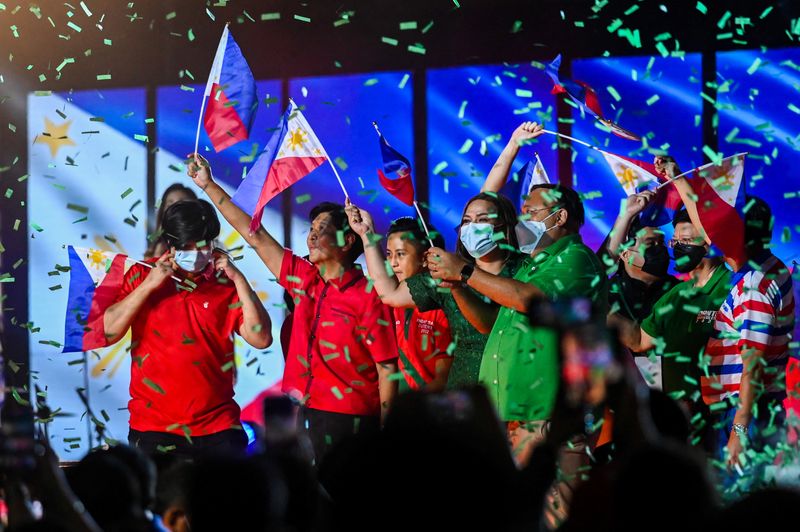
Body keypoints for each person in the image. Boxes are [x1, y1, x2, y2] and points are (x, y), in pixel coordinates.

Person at [186, 154, 398, 469]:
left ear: (346, 240)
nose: (311, 236)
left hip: (352, 421)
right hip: (305, 413)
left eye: (322, 229)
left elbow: (387, 368)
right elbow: (253, 234)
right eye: (311, 228)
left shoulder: (368, 295)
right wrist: (208, 185)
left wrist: (386, 430)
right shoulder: (304, 280)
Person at [426, 182, 607, 525]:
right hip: (515, 415)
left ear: (560, 216)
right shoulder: (531, 266)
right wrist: (459, 288)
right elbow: (489, 323)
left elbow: (529, 301)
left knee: (559, 515)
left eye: (532, 212)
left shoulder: (577, 259)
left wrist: (465, 270)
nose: (524, 220)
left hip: (552, 413)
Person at [102, 199, 273, 458]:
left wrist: (239, 279)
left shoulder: (226, 281)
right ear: (171, 244)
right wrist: (149, 285)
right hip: (154, 428)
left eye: (203, 244)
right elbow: (107, 331)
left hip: (219, 425)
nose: (196, 252)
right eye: (188, 246)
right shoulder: (141, 273)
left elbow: (261, 338)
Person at [661, 155, 795, 484]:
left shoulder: (755, 285)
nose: (709, 235)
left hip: (748, 409)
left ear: (739, 233)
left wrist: (739, 429)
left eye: (723, 225)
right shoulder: (765, 267)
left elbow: (753, 363)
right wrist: (678, 180)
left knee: (739, 497)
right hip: (747, 407)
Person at [346, 192, 521, 388]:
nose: (472, 228)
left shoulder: (523, 271)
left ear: (504, 226)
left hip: (512, 390)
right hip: (464, 394)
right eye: (467, 221)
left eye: (482, 221)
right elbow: (390, 294)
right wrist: (366, 234)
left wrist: (461, 280)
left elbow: (488, 324)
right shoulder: (448, 272)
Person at [610, 208, 732, 446]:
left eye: (686, 241)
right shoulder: (676, 294)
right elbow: (640, 340)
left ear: (708, 242)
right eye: (675, 241)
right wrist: (593, 305)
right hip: (681, 422)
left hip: (723, 415)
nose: (676, 248)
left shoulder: (732, 286)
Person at [606, 191, 680, 388]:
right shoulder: (605, 294)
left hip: (673, 396)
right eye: (650, 244)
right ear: (625, 254)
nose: (660, 249)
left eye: (661, 243)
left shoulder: (679, 292)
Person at [384, 217, 453, 391]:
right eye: (389, 254)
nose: (393, 263)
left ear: (425, 258)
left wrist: (415, 411)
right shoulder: (388, 302)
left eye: (400, 254)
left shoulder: (444, 305)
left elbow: (444, 379)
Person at [145, 184, 197, 260]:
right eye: (170, 204)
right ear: (163, 211)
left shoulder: (204, 241)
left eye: (181, 203)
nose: (175, 208)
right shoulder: (156, 242)